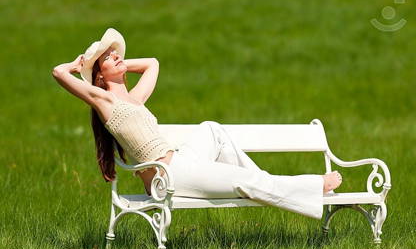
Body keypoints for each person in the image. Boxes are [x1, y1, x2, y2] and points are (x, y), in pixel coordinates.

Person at [52, 28, 342, 220]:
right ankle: (312, 187)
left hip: (179, 164)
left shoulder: (134, 99)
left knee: (212, 130)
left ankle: (271, 185)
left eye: (116, 54)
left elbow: (153, 62)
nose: (116, 56)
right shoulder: (104, 101)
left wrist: (119, 63)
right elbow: (58, 72)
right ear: (99, 76)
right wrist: (81, 65)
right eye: (108, 57)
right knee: (245, 181)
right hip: (167, 178)